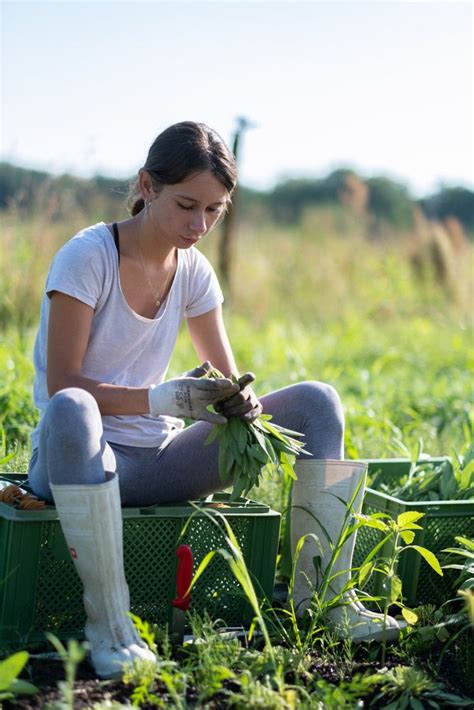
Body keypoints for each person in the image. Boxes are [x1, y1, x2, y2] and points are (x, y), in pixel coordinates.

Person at [28, 121, 404, 679]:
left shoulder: (195, 272)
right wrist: (161, 398)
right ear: (148, 186)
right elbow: (64, 384)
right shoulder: (88, 257)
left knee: (317, 402)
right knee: (71, 409)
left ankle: (325, 602)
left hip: (157, 463)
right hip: (77, 465)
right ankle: (111, 629)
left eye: (215, 211)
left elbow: (229, 375)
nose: (199, 225)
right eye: (187, 205)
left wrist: (236, 402)